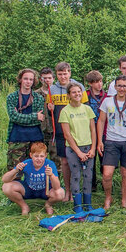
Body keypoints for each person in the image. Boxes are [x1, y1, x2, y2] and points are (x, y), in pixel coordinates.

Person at [97, 75, 126, 209]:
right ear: (115, 87)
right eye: (119, 86)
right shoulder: (107, 102)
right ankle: (108, 198)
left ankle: (124, 200)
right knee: (107, 174)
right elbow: (101, 121)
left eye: (124, 86)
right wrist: (100, 141)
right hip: (111, 141)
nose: (122, 88)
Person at [47, 62, 89, 202]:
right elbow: (49, 113)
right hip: (60, 132)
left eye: (65, 73)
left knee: (78, 163)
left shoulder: (79, 87)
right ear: (56, 75)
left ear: (69, 73)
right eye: (60, 74)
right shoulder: (52, 89)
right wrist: (49, 108)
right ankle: (68, 191)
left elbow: (85, 108)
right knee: (65, 162)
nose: (63, 76)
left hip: (78, 131)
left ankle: (81, 190)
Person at [59, 83, 97, 212]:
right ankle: (77, 205)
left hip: (88, 147)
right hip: (73, 149)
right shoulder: (65, 111)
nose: (77, 94)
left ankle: (87, 204)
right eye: (74, 92)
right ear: (69, 95)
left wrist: (93, 148)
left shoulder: (87, 109)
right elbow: (67, 134)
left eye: (79, 92)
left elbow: (93, 130)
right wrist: (79, 152)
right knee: (75, 176)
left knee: (88, 176)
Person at [2, 142, 64, 215]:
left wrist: (51, 175)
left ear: (46, 156)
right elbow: (5, 180)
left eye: (41, 156)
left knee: (60, 193)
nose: (39, 159)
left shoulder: (49, 164)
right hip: (29, 189)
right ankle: (24, 206)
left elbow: (57, 187)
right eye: (36, 156)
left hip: (45, 191)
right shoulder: (27, 163)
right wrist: (15, 170)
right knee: (6, 187)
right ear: (31, 155)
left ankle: (48, 204)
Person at [6, 69, 45, 172]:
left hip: (35, 138)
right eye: (26, 79)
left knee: (35, 171)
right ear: (20, 80)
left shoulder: (38, 98)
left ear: (34, 81)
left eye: (31, 79)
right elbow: (14, 117)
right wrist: (34, 116)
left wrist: (21, 116)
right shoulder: (12, 97)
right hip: (17, 138)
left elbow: (39, 119)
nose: (28, 82)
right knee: (15, 172)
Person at [85, 70, 107, 192]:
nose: (99, 84)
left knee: (104, 158)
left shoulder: (107, 95)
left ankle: (105, 183)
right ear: (90, 83)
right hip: (89, 130)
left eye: (100, 81)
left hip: (104, 131)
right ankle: (91, 184)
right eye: (96, 82)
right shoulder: (85, 95)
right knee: (91, 159)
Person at [36, 67, 60, 173]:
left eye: (49, 78)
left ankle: (56, 183)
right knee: (40, 158)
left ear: (53, 78)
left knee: (56, 159)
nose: (47, 80)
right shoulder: (36, 94)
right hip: (40, 131)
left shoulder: (58, 93)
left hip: (54, 131)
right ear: (41, 79)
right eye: (44, 78)